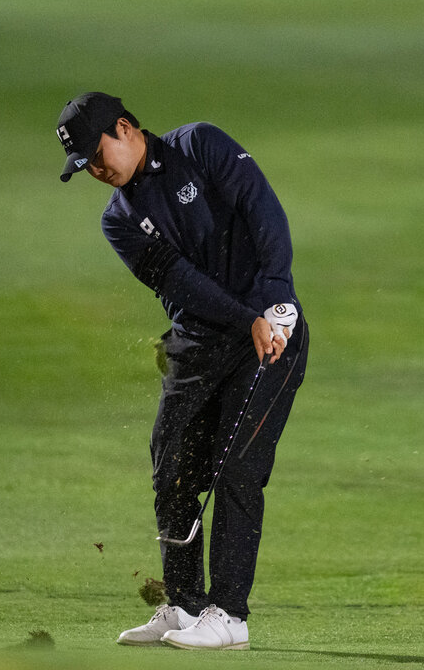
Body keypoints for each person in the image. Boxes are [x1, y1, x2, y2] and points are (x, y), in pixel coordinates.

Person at [54, 92, 309, 650]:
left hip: (271, 336)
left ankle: (230, 616)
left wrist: (275, 298)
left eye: (97, 155)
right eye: (85, 166)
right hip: (202, 343)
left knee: (238, 469)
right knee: (171, 466)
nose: (96, 171)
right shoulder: (118, 220)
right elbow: (182, 284)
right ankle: (186, 605)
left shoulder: (200, 145)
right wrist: (245, 319)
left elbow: (263, 210)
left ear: (125, 128)